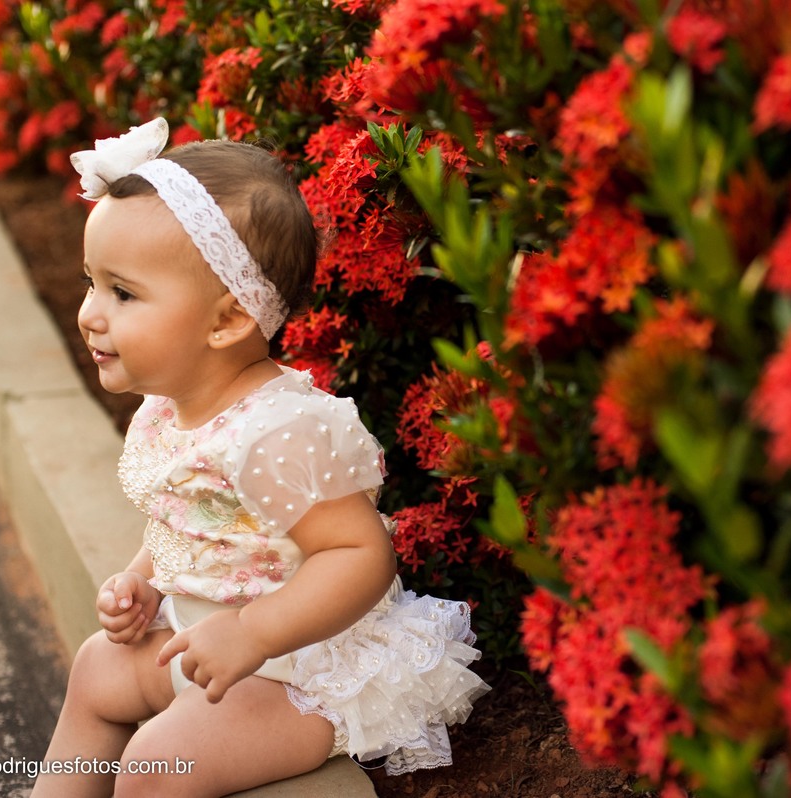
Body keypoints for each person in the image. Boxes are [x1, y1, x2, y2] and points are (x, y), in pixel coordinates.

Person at [32, 119, 489, 797]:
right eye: (90, 282)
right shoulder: (170, 404)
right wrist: (142, 580)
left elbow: (360, 556)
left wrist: (253, 633)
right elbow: (192, 519)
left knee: (157, 766)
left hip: (294, 670)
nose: (90, 313)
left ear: (226, 321)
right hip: (201, 639)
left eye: (122, 293)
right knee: (98, 668)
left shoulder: (278, 432)